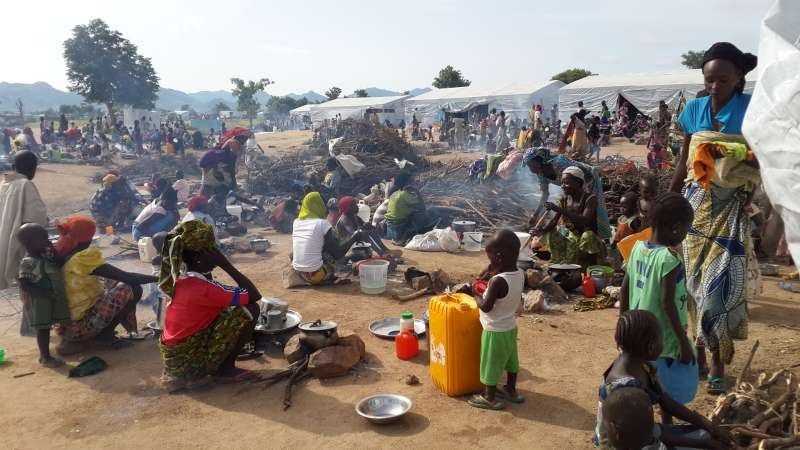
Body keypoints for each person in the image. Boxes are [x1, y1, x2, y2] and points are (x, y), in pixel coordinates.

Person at [669, 42, 760, 395]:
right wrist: (669, 200)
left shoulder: (751, 111)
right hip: (695, 207)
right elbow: (683, 162)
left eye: (723, 79)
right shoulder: (693, 110)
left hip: (731, 209)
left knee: (718, 290)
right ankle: (700, 357)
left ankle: (719, 363)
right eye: (710, 80)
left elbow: (762, 159)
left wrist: (735, 153)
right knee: (693, 287)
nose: (715, 86)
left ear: (738, 78)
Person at [594, 310, 732, 449]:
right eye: (662, 339)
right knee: (701, 442)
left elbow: (667, 403)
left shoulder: (643, 365)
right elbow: (644, 437)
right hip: (630, 443)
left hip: (643, 432)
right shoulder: (626, 392)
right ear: (651, 347)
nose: (663, 343)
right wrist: (703, 444)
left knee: (704, 434)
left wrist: (705, 424)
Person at [157, 221, 261, 390]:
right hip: (189, 364)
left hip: (175, 359)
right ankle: (225, 370)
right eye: (211, 251)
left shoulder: (181, 280)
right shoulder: (205, 289)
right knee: (250, 309)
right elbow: (254, 296)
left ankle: (216, 365)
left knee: (225, 310)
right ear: (199, 259)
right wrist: (225, 264)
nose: (216, 253)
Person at [620, 193, 699, 410]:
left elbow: (624, 289)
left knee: (644, 379)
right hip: (663, 336)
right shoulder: (669, 258)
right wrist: (683, 341)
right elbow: (667, 303)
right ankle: (666, 425)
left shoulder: (637, 249)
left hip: (638, 332)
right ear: (676, 228)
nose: (684, 235)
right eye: (686, 229)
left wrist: (623, 324)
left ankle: (646, 418)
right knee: (667, 389)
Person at [54, 216, 157, 352]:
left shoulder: (63, 251)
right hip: (80, 328)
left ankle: (121, 332)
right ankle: (104, 336)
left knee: (112, 281)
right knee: (131, 288)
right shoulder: (82, 257)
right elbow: (129, 277)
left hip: (65, 326)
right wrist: (160, 277)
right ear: (89, 237)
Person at [468, 230, 525, 410]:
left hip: (494, 331)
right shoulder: (520, 273)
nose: (489, 262)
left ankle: (489, 397)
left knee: (490, 364)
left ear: (498, 258)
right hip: (509, 328)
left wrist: (473, 292)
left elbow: (485, 306)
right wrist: (493, 271)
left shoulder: (498, 281)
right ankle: (511, 389)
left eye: (490, 257)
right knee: (511, 361)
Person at [524, 147, 611, 240]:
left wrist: (560, 208)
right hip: (571, 186)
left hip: (588, 179)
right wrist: (535, 215)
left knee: (590, 209)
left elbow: (576, 179)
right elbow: (545, 194)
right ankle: (575, 236)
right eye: (529, 166)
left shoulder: (559, 163)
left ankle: (597, 237)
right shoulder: (541, 173)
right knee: (570, 210)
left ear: (539, 161)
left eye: (531, 165)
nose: (531, 170)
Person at [17, 224, 69, 367]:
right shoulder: (27, 262)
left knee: (50, 324)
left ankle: (50, 354)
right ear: (30, 243)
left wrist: (51, 248)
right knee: (43, 329)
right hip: (38, 301)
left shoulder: (45, 255)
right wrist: (43, 293)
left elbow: (60, 262)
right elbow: (24, 284)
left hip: (48, 298)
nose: (47, 241)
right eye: (43, 239)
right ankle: (45, 357)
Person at [532, 166, 606, 268]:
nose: (562, 186)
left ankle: (592, 266)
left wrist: (559, 209)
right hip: (570, 234)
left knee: (588, 236)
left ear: (578, 183)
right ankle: (558, 261)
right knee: (556, 230)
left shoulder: (590, 199)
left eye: (566, 183)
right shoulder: (564, 199)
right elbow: (554, 221)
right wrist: (541, 230)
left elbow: (584, 220)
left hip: (584, 234)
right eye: (562, 183)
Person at [0, 151, 48, 293]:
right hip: (18, 241)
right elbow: (35, 219)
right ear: (33, 168)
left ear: (14, 166)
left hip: (3, 238)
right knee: (28, 282)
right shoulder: (25, 184)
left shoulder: (3, 185)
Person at [291, 192, 361, 285]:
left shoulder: (296, 222)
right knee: (332, 256)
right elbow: (338, 254)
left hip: (299, 273)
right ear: (319, 206)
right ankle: (329, 277)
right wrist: (354, 237)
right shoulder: (322, 223)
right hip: (317, 276)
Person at [384, 176, 438, 245]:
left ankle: (403, 236)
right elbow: (422, 207)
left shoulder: (395, 193)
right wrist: (417, 192)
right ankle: (405, 237)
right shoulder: (405, 195)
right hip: (399, 222)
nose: (413, 184)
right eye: (412, 182)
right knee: (423, 215)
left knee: (414, 214)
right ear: (407, 184)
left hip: (389, 221)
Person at [199, 127, 249, 196]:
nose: (245, 140)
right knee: (209, 185)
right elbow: (231, 162)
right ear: (239, 137)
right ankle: (201, 202)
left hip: (214, 162)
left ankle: (202, 200)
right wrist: (234, 183)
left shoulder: (234, 143)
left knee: (210, 186)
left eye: (246, 138)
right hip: (212, 164)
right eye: (244, 137)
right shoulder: (234, 143)